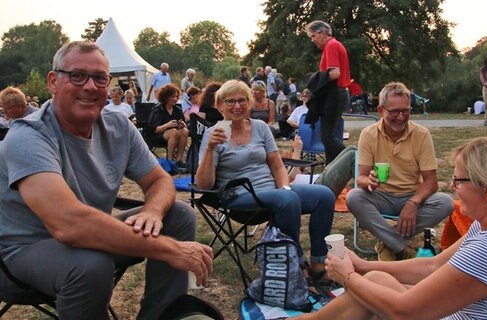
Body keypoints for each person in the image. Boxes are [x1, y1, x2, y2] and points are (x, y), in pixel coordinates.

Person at [0, 41, 213, 320]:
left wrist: (152, 211)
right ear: (53, 81)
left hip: (90, 242)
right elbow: (69, 225)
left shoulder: (117, 126)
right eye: (77, 75)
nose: (90, 86)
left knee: (178, 214)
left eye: (100, 78)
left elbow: (159, 181)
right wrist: (171, 249)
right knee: (90, 266)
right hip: (21, 256)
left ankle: (160, 316)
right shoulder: (29, 135)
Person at [292, 136, 487, 320]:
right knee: (375, 281)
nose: (452, 186)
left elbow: (404, 312)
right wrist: (362, 266)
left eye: (459, 181)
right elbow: (434, 266)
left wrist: (348, 278)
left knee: (373, 295)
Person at [196, 80, 335, 283]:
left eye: (242, 100)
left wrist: (285, 188)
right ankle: (295, 265)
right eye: (230, 101)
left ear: (249, 102)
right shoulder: (214, 134)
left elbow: (277, 166)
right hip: (238, 196)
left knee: (324, 195)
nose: (237, 106)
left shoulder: (260, 127)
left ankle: (319, 262)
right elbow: (204, 185)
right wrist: (209, 149)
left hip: (273, 192)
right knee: (286, 200)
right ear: (219, 105)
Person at [346, 82, 453, 260]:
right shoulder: (368, 134)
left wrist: (413, 203)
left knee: (446, 202)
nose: (401, 117)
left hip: (412, 194)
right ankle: (399, 245)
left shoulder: (422, 134)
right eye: (394, 112)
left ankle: (387, 241)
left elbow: (431, 182)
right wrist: (369, 181)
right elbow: (361, 178)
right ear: (381, 110)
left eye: (406, 111)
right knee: (354, 197)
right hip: (381, 195)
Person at [305, 20, 350, 164]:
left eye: (313, 36)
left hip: (335, 94)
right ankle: (330, 170)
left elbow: (335, 73)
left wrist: (315, 81)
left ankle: (355, 159)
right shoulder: (335, 45)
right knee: (330, 137)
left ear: (323, 32)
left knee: (327, 137)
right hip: (338, 93)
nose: (313, 40)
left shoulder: (331, 46)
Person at [147, 84, 189, 168]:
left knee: (185, 131)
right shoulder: (157, 109)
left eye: (176, 97)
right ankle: (170, 161)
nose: (175, 99)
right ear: (166, 97)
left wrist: (182, 125)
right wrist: (167, 125)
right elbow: (154, 130)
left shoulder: (178, 110)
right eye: (172, 96)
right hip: (157, 136)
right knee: (173, 132)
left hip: (175, 136)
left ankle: (178, 160)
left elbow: (182, 127)